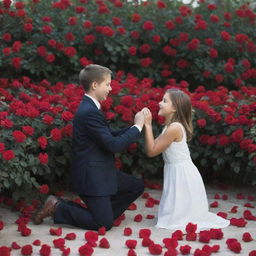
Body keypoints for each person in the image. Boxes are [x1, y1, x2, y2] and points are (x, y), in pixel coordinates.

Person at [33, 64, 145, 230]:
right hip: (91, 177)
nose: (110, 88)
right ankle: (58, 206)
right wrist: (137, 127)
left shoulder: (91, 107)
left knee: (136, 186)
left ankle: (103, 212)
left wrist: (135, 126)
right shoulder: (89, 111)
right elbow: (113, 145)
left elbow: (108, 135)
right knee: (103, 224)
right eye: (107, 84)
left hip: (101, 171)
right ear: (95, 85)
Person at [142, 89, 229, 231]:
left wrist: (148, 125)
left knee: (179, 218)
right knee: (176, 212)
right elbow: (152, 147)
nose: (159, 103)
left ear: (175, 108)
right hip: (177, 171)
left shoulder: (174, 129)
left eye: (164, 101)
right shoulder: (168, 127)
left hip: (182, 174)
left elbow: (152, 151)